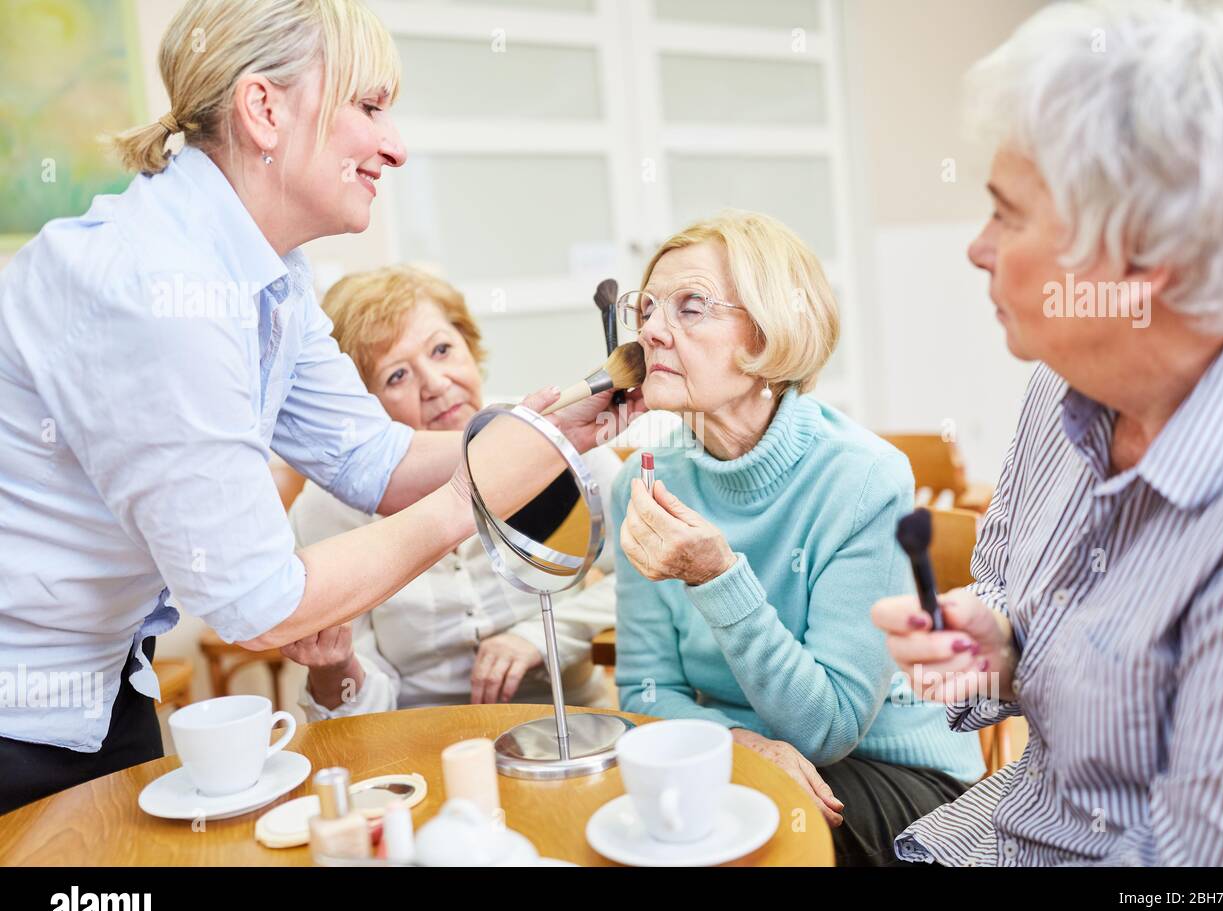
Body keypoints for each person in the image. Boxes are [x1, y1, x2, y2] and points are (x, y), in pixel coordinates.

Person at [0, 0, 639, 814]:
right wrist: (467, 498)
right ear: (264, 110)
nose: (395, 146)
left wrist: (553, 428)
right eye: (369, 108)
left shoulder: (268, 274)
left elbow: (376, 459)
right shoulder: (160, 295)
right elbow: (260, 605)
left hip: (101, 691)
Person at [874, 0, 1223, 865]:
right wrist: (996, 653)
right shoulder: (1065, 388)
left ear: (1144, 257)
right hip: (985, 834)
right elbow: (1008, 604)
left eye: (1008, 214)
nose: (977, 249)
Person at [612, 211, 985, 867]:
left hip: (893, 769)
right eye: (645, 309)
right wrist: (741, 745)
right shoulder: (641, 488)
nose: (650, 329)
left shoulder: (863, 478)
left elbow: (828, 726)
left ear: (767, 332)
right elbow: (644, 695)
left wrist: (719, 578)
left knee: (737, 846)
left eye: (689, 306)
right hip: (742, 758)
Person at [283, 266, 618, 717]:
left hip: (571, 718)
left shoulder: (549, 438)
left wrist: (537, 638)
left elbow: (646, 575)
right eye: (397, 376)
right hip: (418, 741)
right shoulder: (323, 513)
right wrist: (334, 667)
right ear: (359, 404)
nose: (436, 384)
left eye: (442, 349)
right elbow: (357, 709)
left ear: (469, 345)